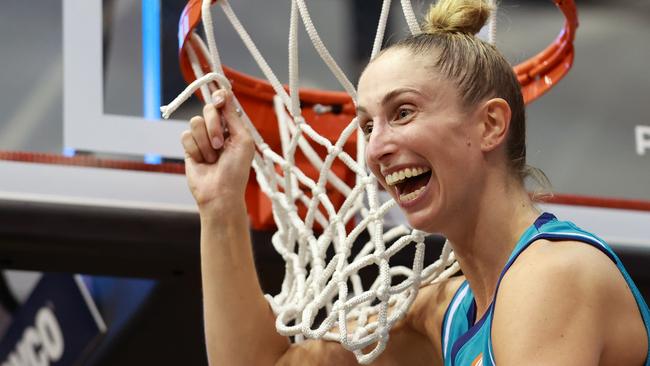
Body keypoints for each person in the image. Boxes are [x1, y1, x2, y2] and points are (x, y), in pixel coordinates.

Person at [179, 0, 650, 364]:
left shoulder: (552, 276)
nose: (375, 148)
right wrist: (220, 206)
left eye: (402, 113)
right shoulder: (445, 310)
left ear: (490, 125)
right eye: (367, 126)